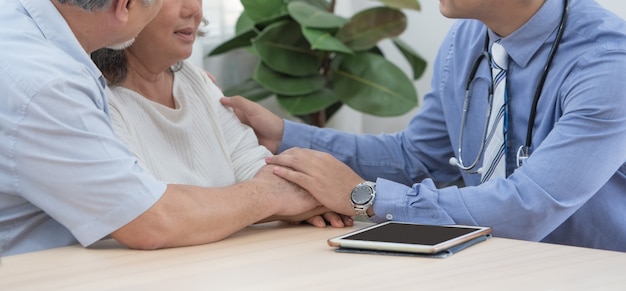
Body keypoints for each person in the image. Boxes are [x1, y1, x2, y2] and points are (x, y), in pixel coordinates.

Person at [222, 0, 626, 252]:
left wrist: (363, 198)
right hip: (489, 263)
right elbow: (416, 156)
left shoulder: (609, 62)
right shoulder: (467, 38)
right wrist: (283, 134)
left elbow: (528, 208)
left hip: (590, 272)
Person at [0, 0, 323, 257]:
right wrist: (274, 195)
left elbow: (252, 167)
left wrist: (288, 194)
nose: (194, 11)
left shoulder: (26, 33)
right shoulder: (50, 86)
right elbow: (150, 220)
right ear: (124, 5)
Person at [91, 0, 350, 229]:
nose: (193, 9)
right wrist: (273, 203)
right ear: (123, 6)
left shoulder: (196, 82)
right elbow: (149, 212)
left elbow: (262, 172)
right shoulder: (93, 98)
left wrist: (290, 200)